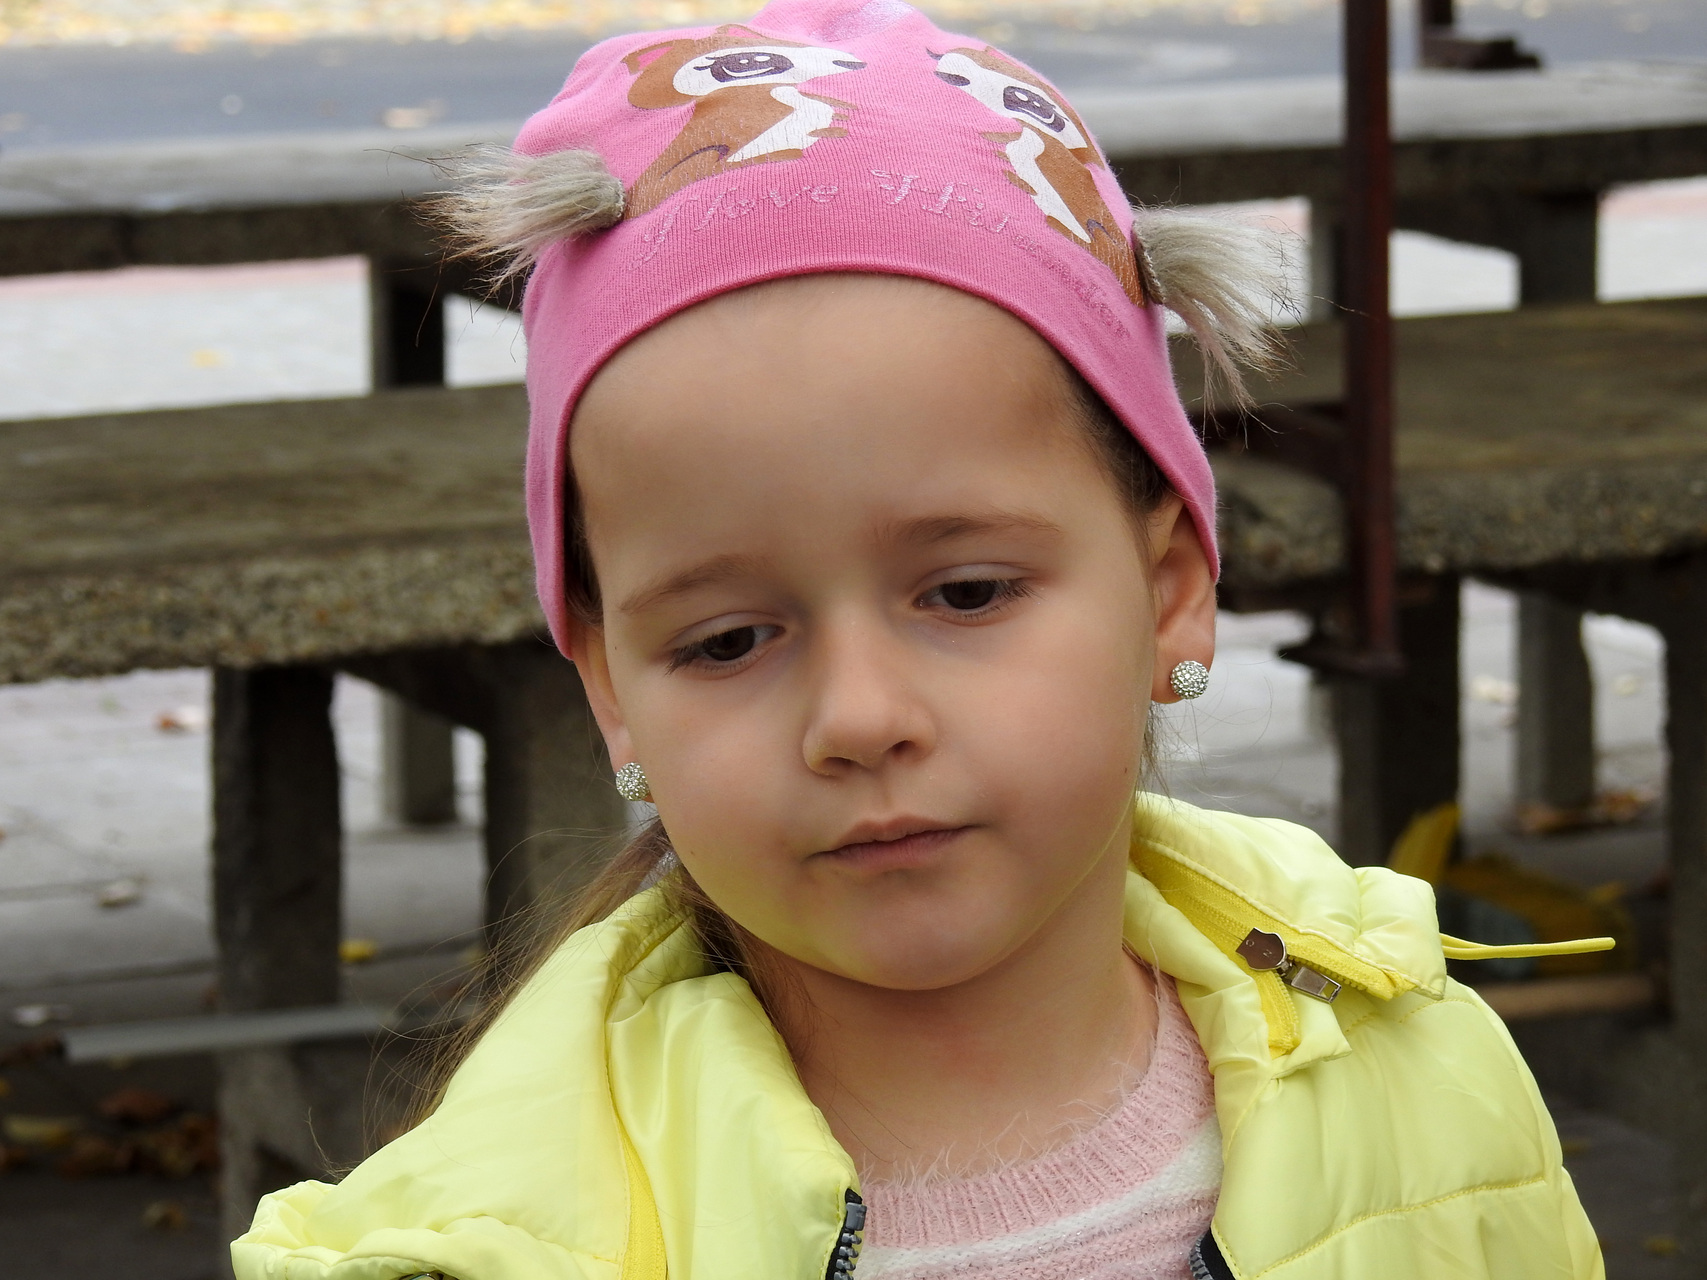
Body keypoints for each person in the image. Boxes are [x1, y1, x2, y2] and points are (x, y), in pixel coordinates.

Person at [233, 2, 1610, 1276]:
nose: (860, 717)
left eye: (965, 595)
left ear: (1170, 589)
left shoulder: (1424, 1087)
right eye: (726, 641)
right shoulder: (493, 1244)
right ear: (611, 693)